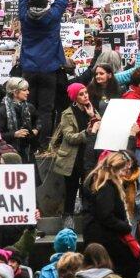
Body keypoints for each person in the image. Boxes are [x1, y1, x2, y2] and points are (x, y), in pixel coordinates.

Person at [19, 0, 69, 149]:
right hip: (49, 69)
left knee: (28, 107)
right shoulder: (53, 16)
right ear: (46, 1)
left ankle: (27, 142)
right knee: (46, 110)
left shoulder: (24, 15)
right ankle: (43, 145)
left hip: (29, 68)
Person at [81, 152, 140, 278]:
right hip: (108, 239)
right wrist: (125, 227)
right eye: (123, 170)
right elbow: (106, 215)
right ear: (114, 169)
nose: (124, 174)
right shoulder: (107, 187)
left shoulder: (97, 182)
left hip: (99, 237)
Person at [49, 84, 101, 226]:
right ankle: (68, 216)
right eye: (81, 94)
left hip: (89, 156)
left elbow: (100, 129)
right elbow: (70, 137)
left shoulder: (92, 110)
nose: (85, 96)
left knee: (88, 189)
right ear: (74, 97)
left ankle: (87, 216)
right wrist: (87, 133)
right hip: (73, 158)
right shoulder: (68, 113)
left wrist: (92, 116)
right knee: (71, 189)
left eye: (86, 93)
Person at [0, 78, 38, 162]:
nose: (28, 92)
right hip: (9, 154)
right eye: (24, 90)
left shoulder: (30, 107)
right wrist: (14, 134)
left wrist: (36, 129)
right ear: (15, 92)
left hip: (28, 152)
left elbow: (38, 121)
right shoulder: (1, 111)